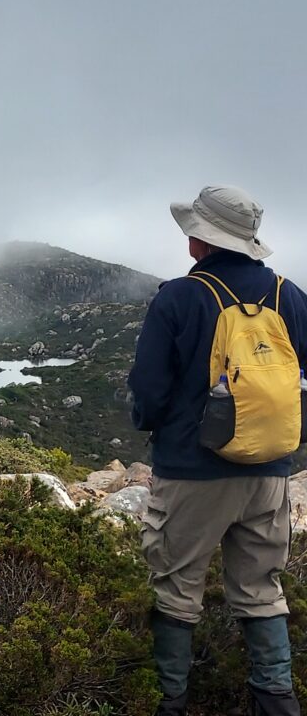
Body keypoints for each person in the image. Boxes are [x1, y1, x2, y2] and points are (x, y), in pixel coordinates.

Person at [128, 186, 306, 716]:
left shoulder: (181, 297)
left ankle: (170, 703)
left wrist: (150, 426)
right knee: (260, 589)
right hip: (271, 470)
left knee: (176, 588)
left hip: (192, 471)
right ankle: (278, 703)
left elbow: (150, 390)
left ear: (199, 241)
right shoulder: (288, 294)